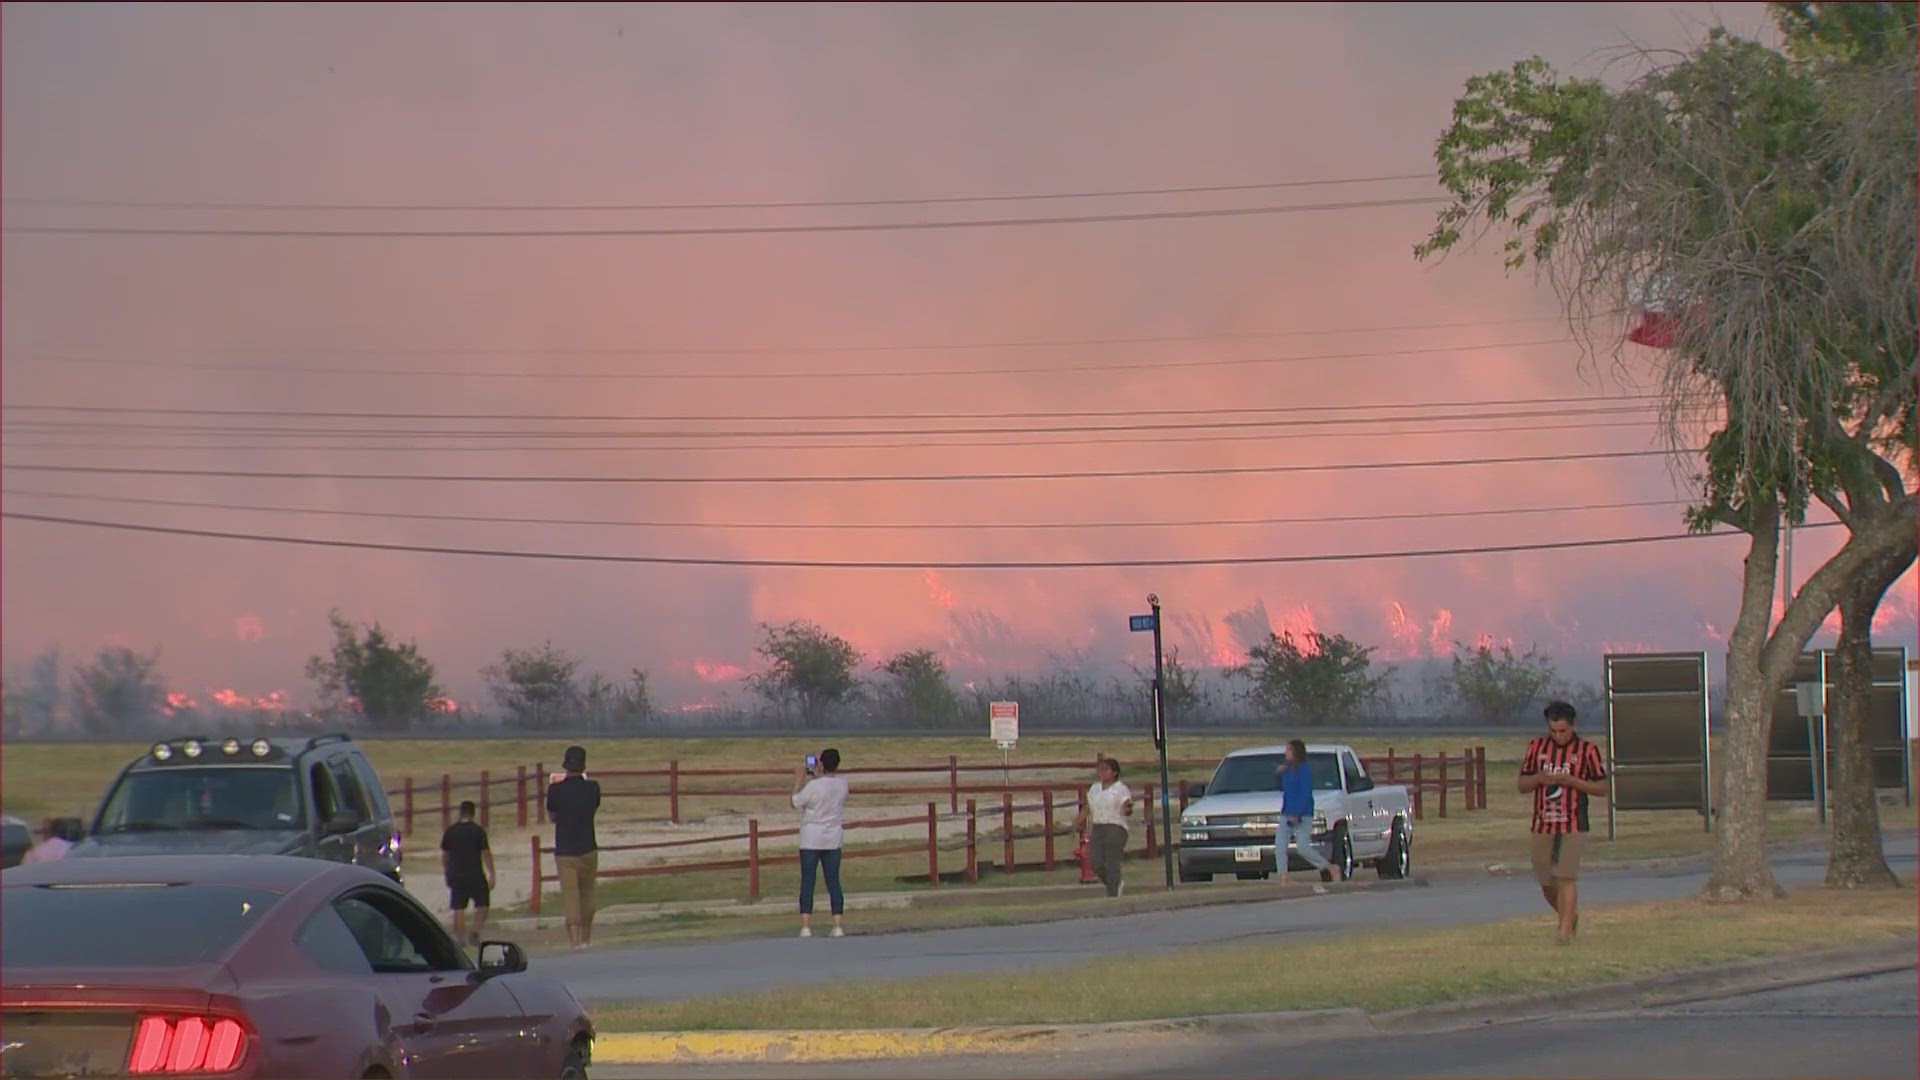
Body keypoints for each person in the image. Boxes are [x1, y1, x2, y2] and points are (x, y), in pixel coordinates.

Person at [1518, 700, 1609, 943]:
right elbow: (1522, 785)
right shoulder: (1536, 747)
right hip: (1542, 822)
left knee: (1566, 876)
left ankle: (1564, 932)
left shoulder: (1587, 750)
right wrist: (1539, 778)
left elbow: (1602, 788)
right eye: (1553, 731)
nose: (1558, 736)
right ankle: (1568, 916)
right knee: (1547, 881)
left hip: (1573, 822)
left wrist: (1573, 782)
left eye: (1563, 731)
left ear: (1572, 726)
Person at [546, 745, 602, 950]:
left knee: (571, 895)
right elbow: (593, 808)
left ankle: (574, 941)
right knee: (588, 893)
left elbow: (552, 816)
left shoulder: (555, 790)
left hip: (565, 849)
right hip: (588, 846)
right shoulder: (593, 788)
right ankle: (587, 939)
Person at [791, 748, 850, 938]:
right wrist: (818, 776)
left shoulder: (814, 786)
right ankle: (837, 924)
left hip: (811, 837)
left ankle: (806, 925)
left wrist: (799, 780)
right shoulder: (843, 784)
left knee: (808, 880)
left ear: (821, 764)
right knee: (833, 880)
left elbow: (796, 802)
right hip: (833, 836)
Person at [1275, 739, 1340, 891]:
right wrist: (1278, 774)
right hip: (1286, 814)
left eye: (1289, 750)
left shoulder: (1304, 770)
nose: (1286, 753)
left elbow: (1305, 793)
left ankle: (1330, 867)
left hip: (1303, 814)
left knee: (1302, 847)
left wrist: (1297, 814)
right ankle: (1283, 877)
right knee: (1279, 847)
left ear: (1296, 752)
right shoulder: (1287, 770)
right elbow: (1284, 790)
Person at [1074, 756, 1132, 897]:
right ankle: (1114, 883)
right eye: (1100, 770)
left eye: (1106, 770)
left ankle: (1112, 893)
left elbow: (1126, 804)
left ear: (1114, 772)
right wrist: (1077, 822)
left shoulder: (1120, 789)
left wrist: (1127, 809)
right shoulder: (1095, 788)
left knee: (1112, 862)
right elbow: (1088, 807)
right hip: (1098, 827)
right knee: (1095, 862)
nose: (1102, 772)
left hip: (1115, 827)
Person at [440, 800, 495, 947]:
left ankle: (459, 939)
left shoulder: (450, 831)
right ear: (473, 813)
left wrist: (447, 872)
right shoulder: (478, 831)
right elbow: (485, 853)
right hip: (475, 873)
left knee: (458, 907)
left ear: (460, 812)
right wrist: (492, 873)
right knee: (483, 904)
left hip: (456, 874)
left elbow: (445, 855)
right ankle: (474, 931)